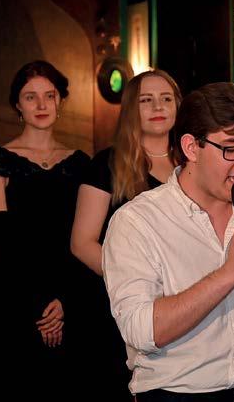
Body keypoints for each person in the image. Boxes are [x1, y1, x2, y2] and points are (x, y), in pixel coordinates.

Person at [102, 82, 234, 401]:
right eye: (231, 149)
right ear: (192, 148)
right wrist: (229, 273)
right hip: (176, 394)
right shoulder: (138, 221)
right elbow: (142, 331)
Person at [69, 69, 181, 399]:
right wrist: (136, 281)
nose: (158, 106)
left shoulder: (192, 163)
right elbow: (82, 243)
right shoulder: (106, 163)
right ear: (131, 108)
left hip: (182, 304)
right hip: (121, 309)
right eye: (146, 100)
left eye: (166, 98)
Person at [0, 60, 90, 397]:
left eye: (49, 95)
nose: (41, 105)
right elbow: (2, 241)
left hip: (72, 298)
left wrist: (65, 301)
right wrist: (40, 307)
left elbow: (89, 238)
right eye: (31, 97)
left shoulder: (82, 163)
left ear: (61, 101)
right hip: (16, 299)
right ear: (17, 104)